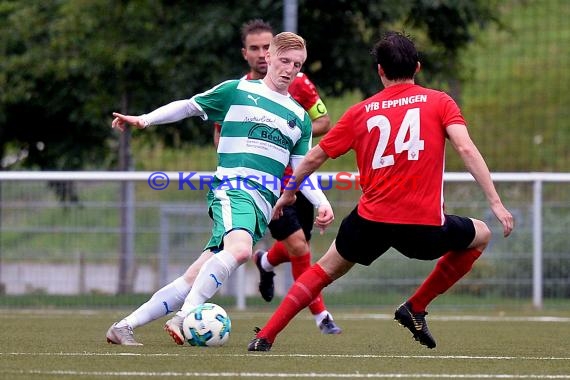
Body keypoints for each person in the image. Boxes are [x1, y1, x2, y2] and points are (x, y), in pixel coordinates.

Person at [248, 31, 514, 352]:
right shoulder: (440, 102)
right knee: (482, 233)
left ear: (380, 72)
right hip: (422, 227)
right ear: (417, 67)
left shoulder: (360, 112)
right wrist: (496, 203)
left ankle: (266, 336)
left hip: (370, 221)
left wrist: (289, 192)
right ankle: (415, 306)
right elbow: (466, 149)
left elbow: (314, 155)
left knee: (323, 270)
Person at [105, 31, 335, 346]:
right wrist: (145, 120)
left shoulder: (299, 116)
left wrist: (322, 203)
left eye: (296, 64)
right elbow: (188, 106)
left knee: (193, 278)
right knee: (240, 251)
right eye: (284, 61)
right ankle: (185, 317)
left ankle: (123, 327)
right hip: (233, 189)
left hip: (262, 206)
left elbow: (301, 169)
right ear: (268, 58)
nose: (290, 69)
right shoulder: (236, 90)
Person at [214, 19, 341, 334]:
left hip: (300, 176)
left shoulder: (298, 82)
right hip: (267, 183)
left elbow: (323, 121)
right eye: (254, 48)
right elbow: (220, 138)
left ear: (275, 50)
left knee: (300, 246)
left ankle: (266, 262)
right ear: (246, 54)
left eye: (265, 47)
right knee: (299, 247)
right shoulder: (239, 91)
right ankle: (321, 316)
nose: (261, 54)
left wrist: (291, 126)